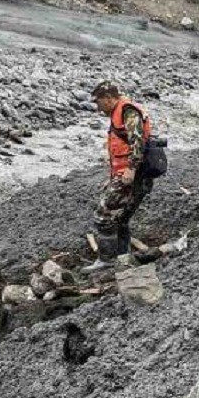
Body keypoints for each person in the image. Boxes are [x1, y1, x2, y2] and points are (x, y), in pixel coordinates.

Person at [83, 81, 155, 272]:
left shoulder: (128, 111)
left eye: (99, 103)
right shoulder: (120, 112)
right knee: (121, 219)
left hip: (132, 174)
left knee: (103, 217)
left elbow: (137, 141)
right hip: (126, 174)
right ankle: (123, 260)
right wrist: (113, 176)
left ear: (108, 98)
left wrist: (130, 169)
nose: (98, 108)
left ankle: (107, 260)